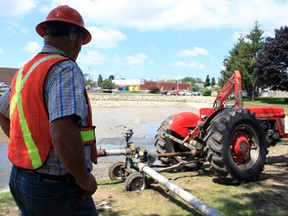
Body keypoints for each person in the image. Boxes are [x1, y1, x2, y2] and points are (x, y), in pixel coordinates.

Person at [0, 5, 98, 216]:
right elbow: (62, 132)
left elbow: (2, 112)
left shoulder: (26, 70)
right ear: (75, 39)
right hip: (55, 188)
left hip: (20, 178)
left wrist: (27, 149)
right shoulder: (65, 68)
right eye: (81, 42)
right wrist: (83, 178)